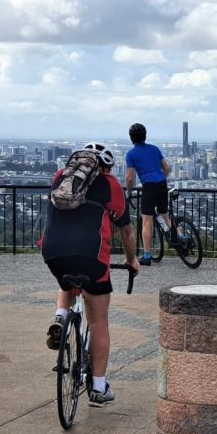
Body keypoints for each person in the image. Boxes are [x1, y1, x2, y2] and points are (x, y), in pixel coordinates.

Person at [41, 143, 140, 407]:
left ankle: (60, 318)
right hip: (91, 257)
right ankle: (98, 387)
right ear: (105, 166)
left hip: (53, 252)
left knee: (65, 277)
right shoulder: (110, 184)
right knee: (98, 322)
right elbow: (127, 232)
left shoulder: (60, 176)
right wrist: (132, 260)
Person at [124, 123, 172, 266]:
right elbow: (167, 168)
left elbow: (130, 178)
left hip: (149, 187)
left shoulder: (131, 154)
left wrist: (129, 193)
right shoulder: (154, 149)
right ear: (145, 136)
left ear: (131, 137)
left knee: (147, 220)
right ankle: (181, 237)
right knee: (165, 214)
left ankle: (147, 256)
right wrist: (161, 178)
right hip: (162, 184)